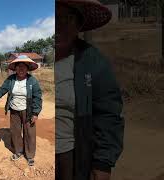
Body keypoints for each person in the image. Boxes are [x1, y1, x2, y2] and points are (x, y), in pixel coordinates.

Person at [56, 0, 124, 180]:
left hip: (72, 156)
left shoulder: (92, 62)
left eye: (66, 18)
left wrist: (103, 162)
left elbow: (108, 113)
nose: (57, 25)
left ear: (78, 24)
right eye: (52, 18)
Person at [0, 55, 43, 166]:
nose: (21, 69)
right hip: (14, 110)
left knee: (29, 133)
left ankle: (30, 155)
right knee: (15, 132)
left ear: (27, 69)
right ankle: (18, 151)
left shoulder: (32, 81)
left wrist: (35, 113)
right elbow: (1, 90)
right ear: (15, 69)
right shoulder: (11, 79)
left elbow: (38, 97)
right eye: (18, 67)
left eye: (23, 67)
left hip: (28, 110)